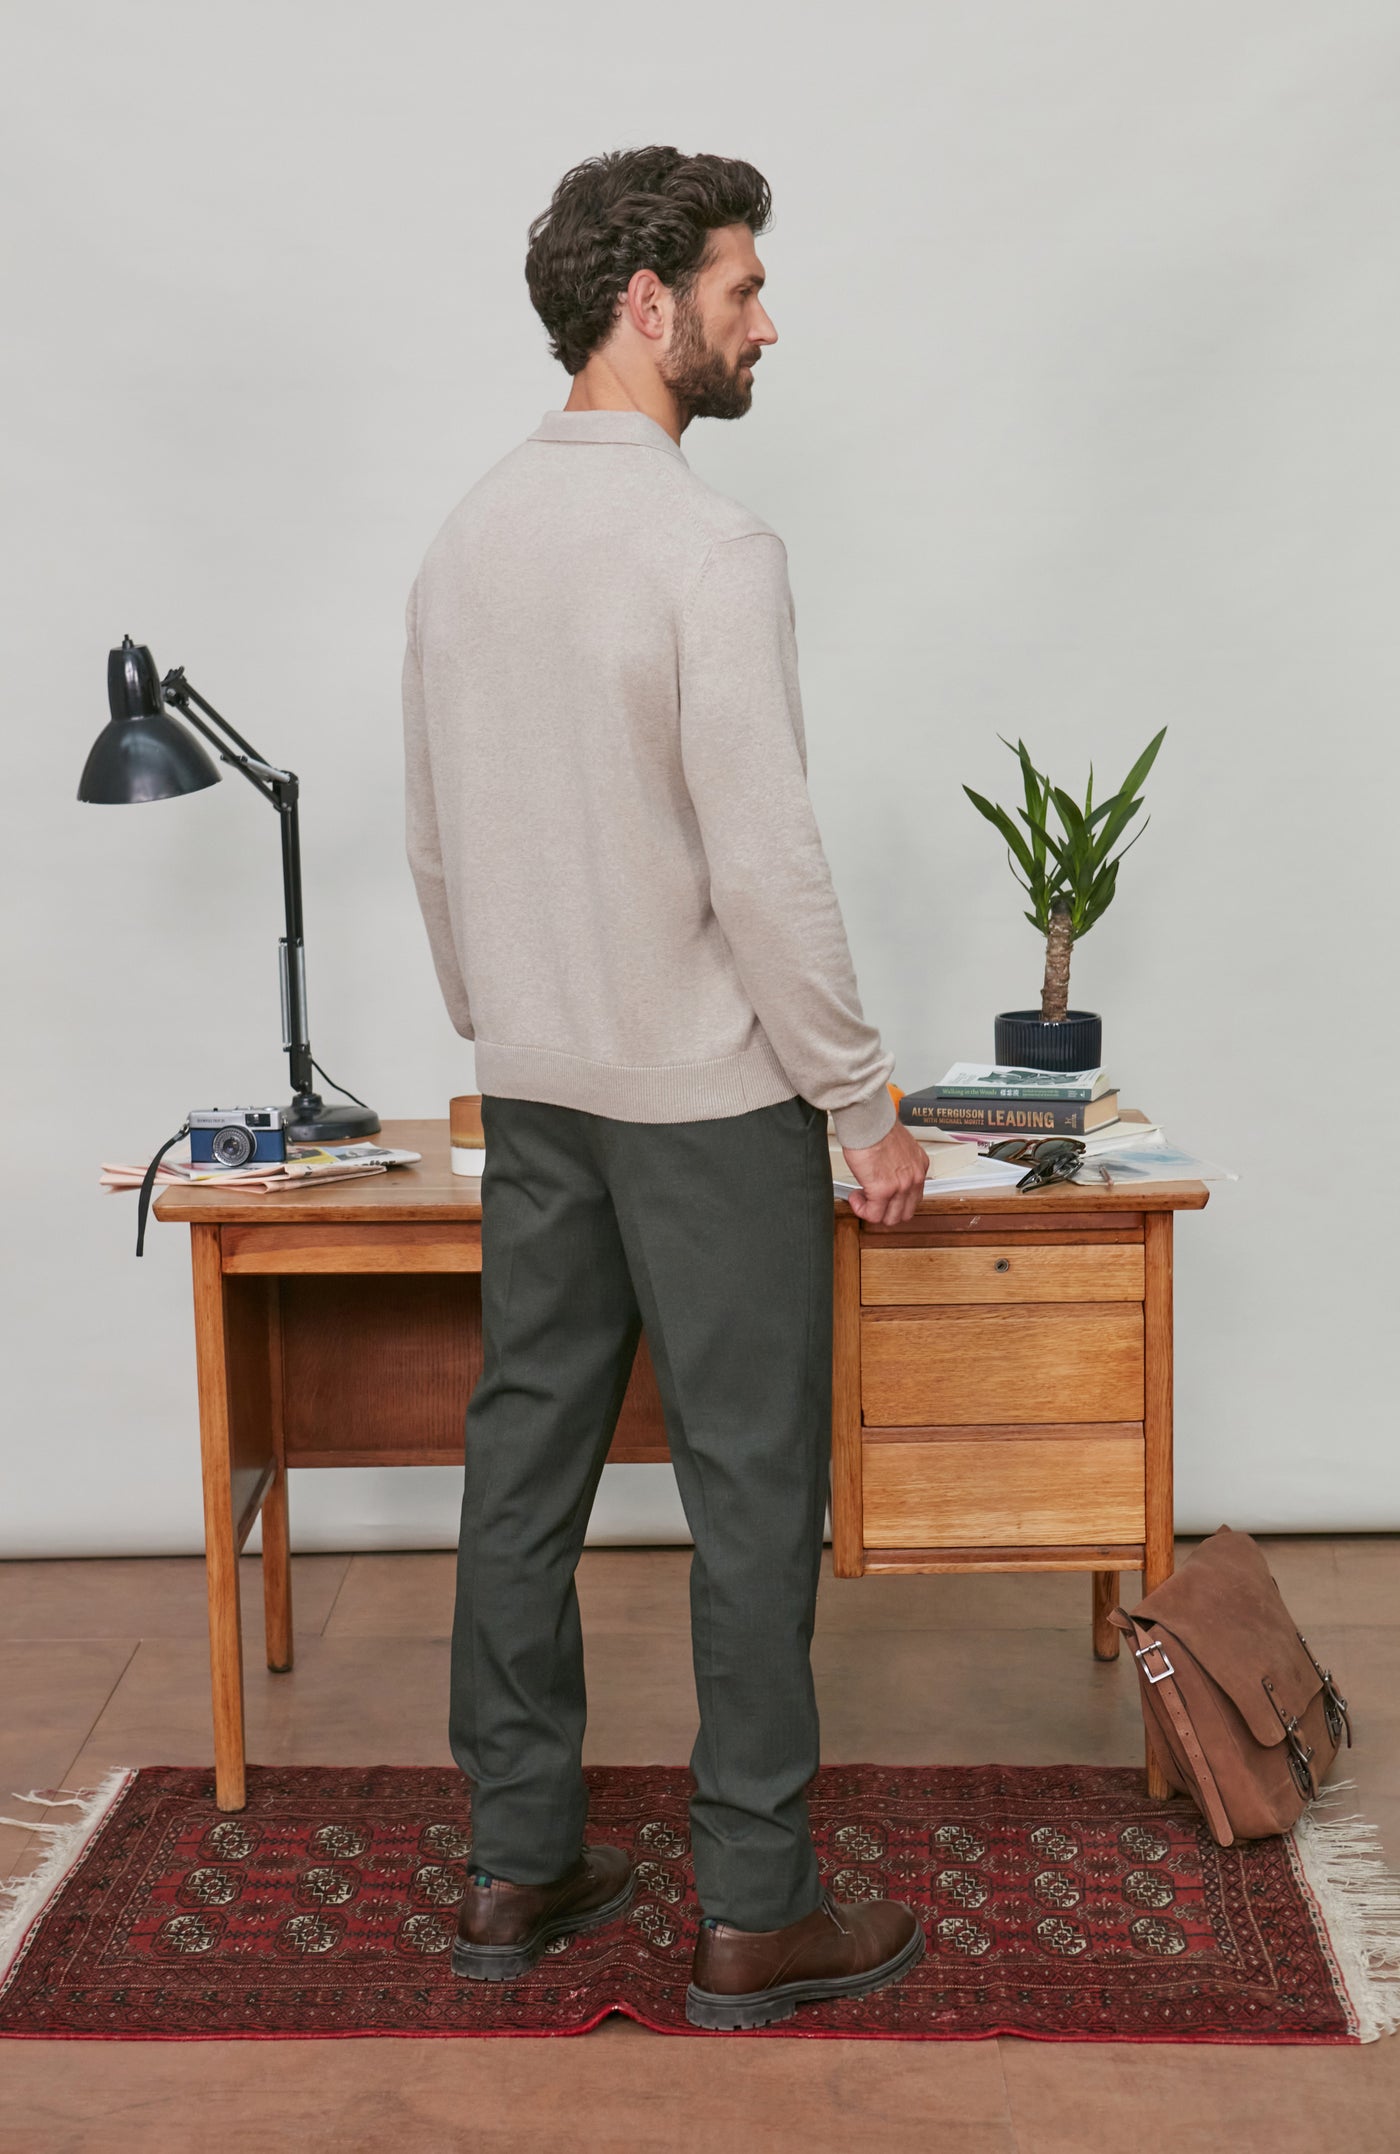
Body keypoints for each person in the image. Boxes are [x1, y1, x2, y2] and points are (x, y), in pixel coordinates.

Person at [401, 146, 930, 2031]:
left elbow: (436, 835)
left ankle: (517, 1860)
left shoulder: (469, 534)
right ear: (647, 304)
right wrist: (860, 1104)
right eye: (740, 283)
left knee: (523, 1466)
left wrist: (509, 1013)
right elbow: (765, 865)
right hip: (710, 1106)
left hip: (539, 1084)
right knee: (752, 1491)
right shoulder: (710, 547)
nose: (764, 316)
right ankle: (754, 1908)